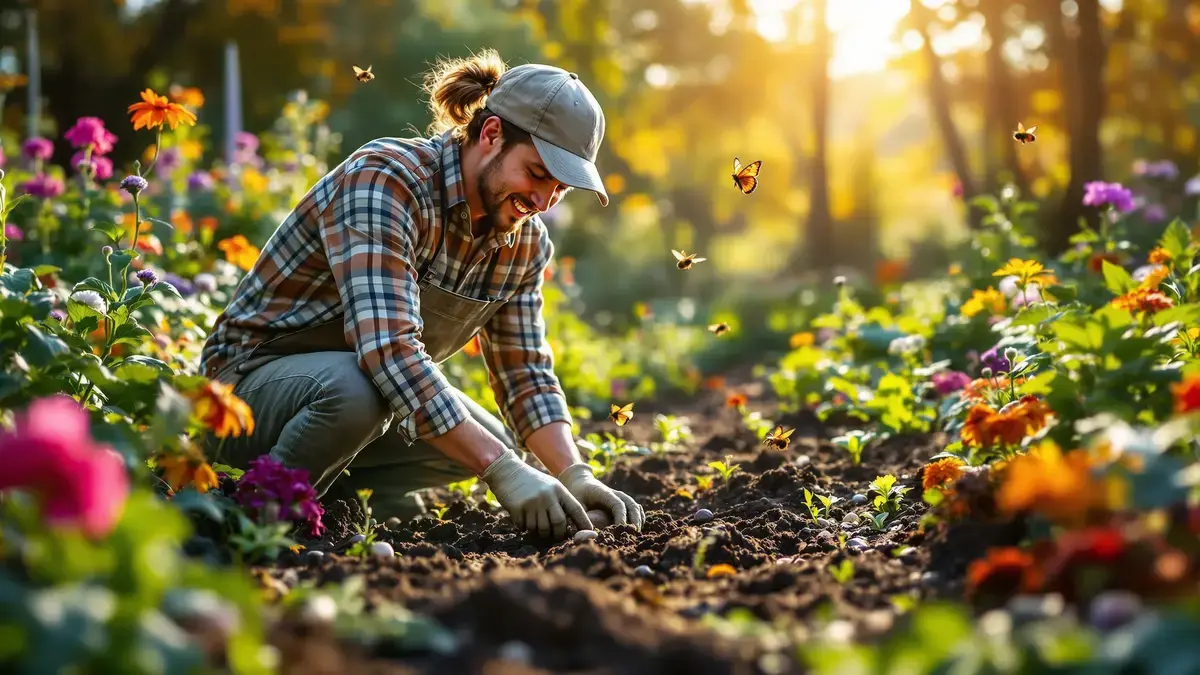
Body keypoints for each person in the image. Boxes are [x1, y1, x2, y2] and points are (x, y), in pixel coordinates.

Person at [199, 49, 645, 540]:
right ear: (491, 133)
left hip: (355, 394)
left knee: (493, 442)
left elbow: (525, 374)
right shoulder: (387, 181)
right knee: (364, 393)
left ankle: (343, 498)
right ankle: (249, 518)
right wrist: (502, 472)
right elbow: (389, 351)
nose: (542, 202)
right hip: (240, 397)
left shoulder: (525, 243)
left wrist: (572, 472)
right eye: (537, 174)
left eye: (560, 189)